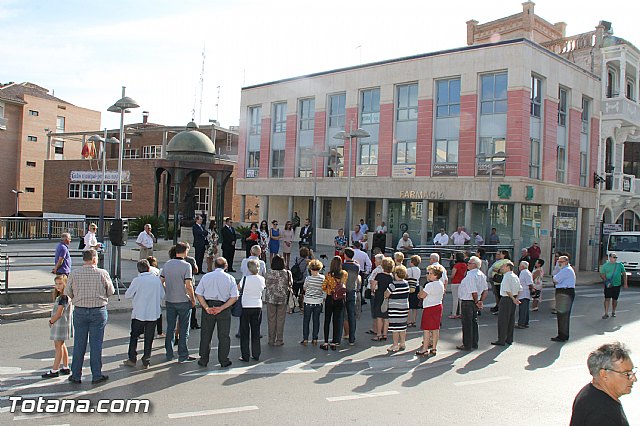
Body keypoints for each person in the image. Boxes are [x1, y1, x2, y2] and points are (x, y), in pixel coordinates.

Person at [65, 249, 114, 384]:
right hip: (98, 311)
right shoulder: (102, 273)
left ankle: (76, 374)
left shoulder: (74, 274)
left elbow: (67, 291)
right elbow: (111, 291)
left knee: (79, 344)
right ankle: (96, 374)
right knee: (96, 344)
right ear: (94, 259)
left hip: (80, 310)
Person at [569, 342, 636, 426]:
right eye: (626, 373)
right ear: (604, 374)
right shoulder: (602, 415)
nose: (634, 378)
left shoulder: (590, 392)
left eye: (632, 372)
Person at [195, 257, 238, 368]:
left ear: (214, 265)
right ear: (226, 266)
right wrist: (222, 308)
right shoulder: (230, 278)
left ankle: (203, 359)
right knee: (224, 336)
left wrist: (206, 307)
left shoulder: (206, 277)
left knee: (206, 334)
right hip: (223, 307)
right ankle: (224, 360)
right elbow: (234, 297)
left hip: (209, 306)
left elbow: (198, 293)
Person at [123, 259, 165, 369]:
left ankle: (132, 358)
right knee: (149, 337)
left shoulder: (137, 280)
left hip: (139, 313)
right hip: (153, 313)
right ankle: (146, 359)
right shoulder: (156, 280)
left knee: (134, 336)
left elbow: (128, 295)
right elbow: (162, 295)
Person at [161, 242, 196, 363]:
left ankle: (169, 353)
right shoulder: (186, 266)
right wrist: (192, 299)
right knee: (184, 329)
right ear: (185, 251)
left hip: (170, 299)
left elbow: (161, 280)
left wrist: (167, 290)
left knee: (170, 328)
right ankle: (183, 355)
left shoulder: (167, 264)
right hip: (183, 300)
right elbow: (189, 284)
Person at [42, 275, 72, 378]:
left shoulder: (63, 297)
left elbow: (59, 313)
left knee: (58, 346)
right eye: (56, 284)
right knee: (62, 345)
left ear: (65, 284)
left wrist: (51, 321)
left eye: (60, 283)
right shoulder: (64, 296)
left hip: (60, 324)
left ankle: (54, 370)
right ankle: (66, 366)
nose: (57, 286)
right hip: (63, 324)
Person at [239, 259, 266, 362]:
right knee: (256, 331)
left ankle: (245, 355)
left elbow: (238, 288)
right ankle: (256, 354)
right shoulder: (262, 279)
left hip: (246, 306)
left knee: (244, 332)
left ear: (249, 269)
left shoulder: (245, 279)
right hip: (257, 306)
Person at [416, 264, 445, 357]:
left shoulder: (429, 285)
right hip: (438, 306)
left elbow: (422, 295)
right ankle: (434, 347)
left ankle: (424, 349)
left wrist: (420, 293)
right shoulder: (441, 284)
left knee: (427, 329)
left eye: (430, 273)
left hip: (429, 307)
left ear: (435, 275)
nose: (428, 275)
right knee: (435, 328)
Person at [457, 256, 486, 351]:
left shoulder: (470, 275)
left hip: (468, 301)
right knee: (474, 322)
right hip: (474, 301)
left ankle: (467, 344)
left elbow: (473, 291)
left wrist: (477, 301)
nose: (467, 264)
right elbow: (485, 290)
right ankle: (474, 342)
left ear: (474, 265)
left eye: (469, 263)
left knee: (467, 324)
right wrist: (480, 300)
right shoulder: (481, 274)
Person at [491, 261, 521, 346]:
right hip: (513, 298)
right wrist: (516, 298)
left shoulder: (507, 277)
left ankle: (501, 339)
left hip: (507, 299)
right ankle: (509, 338)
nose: (502, 268)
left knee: (503, 320)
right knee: (511, 320)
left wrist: (513, 298)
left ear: (508, 267)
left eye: (503, 266)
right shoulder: (515, 276)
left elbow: (507, 290)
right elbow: (520, 289)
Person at [320, 256, 347, 350]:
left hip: (330, 298)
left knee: (327, 320)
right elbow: (344, 284)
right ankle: (335, 342)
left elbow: (323, 287)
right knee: (337, 320)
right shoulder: (344, 274)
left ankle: (326, 341)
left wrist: (329, 288)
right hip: (340, 299)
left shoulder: (328, 275)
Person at [264, 255, 291, 346]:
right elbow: (290, 284)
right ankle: (279, 339)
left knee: (271, 319)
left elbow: (266, 284)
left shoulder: (269, 272)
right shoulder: (287, 273)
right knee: (280, 319)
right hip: (282, 298)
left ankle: (271, 339)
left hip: (271, 298)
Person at [385, 265, 410, 352]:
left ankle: (395, 344)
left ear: (396, 274)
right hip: (404, 307)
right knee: (402, 326)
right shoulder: (406, 283)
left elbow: (386, 294)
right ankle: (402, 343)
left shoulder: (393, 285)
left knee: (395, 327)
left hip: (395, 308)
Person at [551, 255, 576, 342]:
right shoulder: (564, 270)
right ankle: (562, 334)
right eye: (558, 262)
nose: (559, 263)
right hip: (563, 292)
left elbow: (555, 279)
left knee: (563, 315)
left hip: (565, 292)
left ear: (566, 262)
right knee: (561, 315)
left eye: (560, 262)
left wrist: (555, 276)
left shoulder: (566, 270)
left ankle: (563, 336)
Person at [301, 259, 325, 346]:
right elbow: (324, 289)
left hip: (308, 301)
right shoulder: (322, 278)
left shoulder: (308, 278)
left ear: (310, 269)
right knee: (316, 320)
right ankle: (315, 338)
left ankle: (305, 339)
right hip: (318, 301)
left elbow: (304, 288)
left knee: (306, 321)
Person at [371, 257, 394, 342]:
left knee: (379, 316)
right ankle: (385, 334)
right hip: (387, 297)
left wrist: (373, 291)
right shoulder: (391, 277)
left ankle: (379, 334)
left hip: (379, 296)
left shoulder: (379, 275)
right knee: (386, 317)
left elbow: (373, 286)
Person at [599, 252, 628, 319]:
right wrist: (606, 281)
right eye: (614, 257)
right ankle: (606, 313)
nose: (615, 259)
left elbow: (624, 274)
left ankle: (613, 311)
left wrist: (625, 283)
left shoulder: (619, 265)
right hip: (609, 285)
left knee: (615, 299)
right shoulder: (605, 266)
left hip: (617, 284)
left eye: (616, 257)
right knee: (607, 298)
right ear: (610, 258)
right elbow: (602, 274)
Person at [342, 247, 361, 345]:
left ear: (346, 255)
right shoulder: (356, 266)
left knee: (345, 315)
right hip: (353, 290)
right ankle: (352, 338)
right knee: (351, 315)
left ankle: (346, 333)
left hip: (344, 290)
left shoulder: (344, 266)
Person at [291, 247, 311, 312]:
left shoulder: (296, 259)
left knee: (294, 293)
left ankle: (292, 307)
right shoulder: (306, 261)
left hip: (295, 279)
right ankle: (301, 306)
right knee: (302, 293)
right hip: (303, 279)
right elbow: (314, 262)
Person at [352, 241, 372, 305]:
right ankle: (359, 301)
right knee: (359, 288)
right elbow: (369, 264)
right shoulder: (364, 254)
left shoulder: (351, 253)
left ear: (353, 246)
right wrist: (367, 272)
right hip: (360, 272)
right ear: (360, 246)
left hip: (351, 270)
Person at [515, 261, 534, 329]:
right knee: (525, 309)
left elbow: (529, 283)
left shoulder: (524, 272)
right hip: (524, 293)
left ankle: (521, 323)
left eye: (520, 265)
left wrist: (532, 289)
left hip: (524, 293)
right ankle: (525, 322)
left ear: (523, 266)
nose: (519, 267)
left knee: (523, 309)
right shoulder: (526, 272)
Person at [448, 252, 467, 319]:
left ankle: (454, 313)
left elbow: (453, 275)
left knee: (455, 299)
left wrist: (450, 278)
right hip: (461, 282)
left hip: (455, 282)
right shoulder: (465, 265)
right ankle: (461, 313)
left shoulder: (456, 265)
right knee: (460, 299)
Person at [406, 255, 422, 327]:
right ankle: (414, 321)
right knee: (415, 306)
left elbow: (406, 277)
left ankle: (408, 321)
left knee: (409, 305)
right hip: (416, 286)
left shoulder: (409, 270)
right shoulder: (418, 270)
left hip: (410, 286)